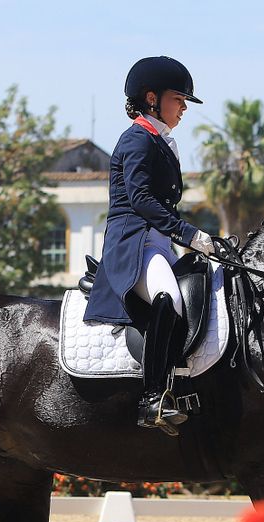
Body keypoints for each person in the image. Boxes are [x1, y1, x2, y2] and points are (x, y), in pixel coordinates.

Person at [85, 55, 217, 435]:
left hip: (158, 244)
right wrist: (190, 234)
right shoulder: (137, 139)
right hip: (135, 243)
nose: (183, 109)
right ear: (152, 98)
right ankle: (153, 398)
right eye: (179, 100)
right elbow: (141, 199)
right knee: (170, 300)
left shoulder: (160, 141)